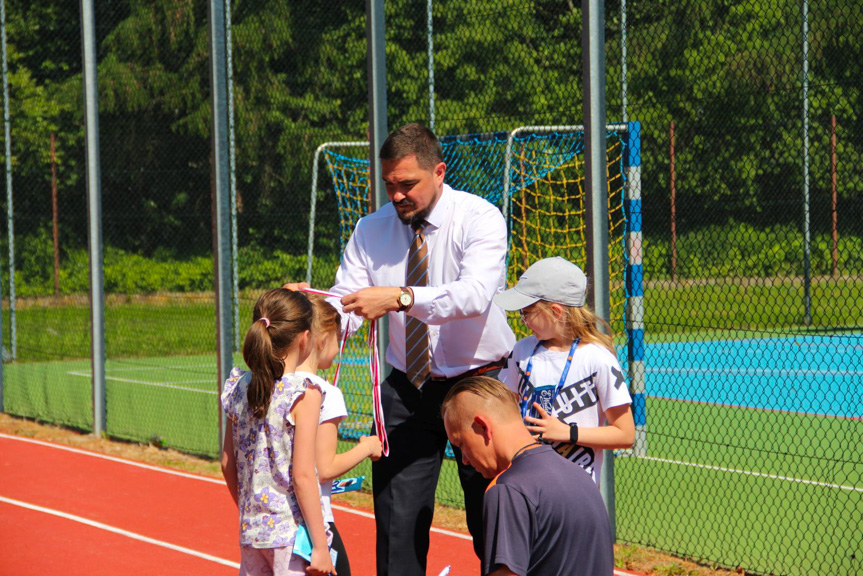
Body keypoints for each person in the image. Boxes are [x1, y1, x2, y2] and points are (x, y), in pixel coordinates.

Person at [286, 122, 515, 576]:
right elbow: (347, 307)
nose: (396, 196)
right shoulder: (371, 230)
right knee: (397, 527)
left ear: (439, 172)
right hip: (406, 390)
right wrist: (309, 305)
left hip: (481, 383)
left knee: (493, 522)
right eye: (389, 184)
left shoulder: (481, 218)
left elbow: (474, 295)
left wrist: (399, 296)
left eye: (407, 184)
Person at [442, 375, 615, 576]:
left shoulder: (508, 490)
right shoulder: (581, 477)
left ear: (483, 427)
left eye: (461, 444)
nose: (464, 459)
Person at [220, 288, 336, 576]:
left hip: (252, 533)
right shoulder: (304, 394)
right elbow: (303, 475)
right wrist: (320, 547)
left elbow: (226, 464)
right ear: (305, 338)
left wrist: (253, 515)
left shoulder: (237, 386)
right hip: (290, 536)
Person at [493, 256, 635, 484]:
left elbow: (625, 434)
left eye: (526, 313)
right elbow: (504, 410)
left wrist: (568, 432)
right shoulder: (521, 351)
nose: (523, 321)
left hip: (575, 493)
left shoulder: (598, 359)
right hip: (525, 483)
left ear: (556, 312)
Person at [296, 294, 383, 576]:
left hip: (275, 522)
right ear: (320, 340)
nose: (339, 348)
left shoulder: (272, 385)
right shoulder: (324, 393)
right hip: (313, 523)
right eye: (338, 338)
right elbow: (324, 468)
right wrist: (366, 447)